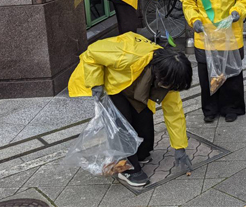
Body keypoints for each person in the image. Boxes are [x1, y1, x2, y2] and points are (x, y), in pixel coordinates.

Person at [68, 32, 193, 187]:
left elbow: (174, 114)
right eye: (171, 87)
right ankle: (128, 168)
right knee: (122, 125)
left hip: (134, 87)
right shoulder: (127, 55)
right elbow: (92, 52)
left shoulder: (168, 77)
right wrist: (96, 84)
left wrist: (180, 148)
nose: (171, 90)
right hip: (112, 86)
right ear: (160, 75)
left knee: (144, 120)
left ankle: (140, 154)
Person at [181, 0, 246, 123]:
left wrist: (238, 11)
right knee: (207, 75)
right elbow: (188, 3)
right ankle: (210, 109)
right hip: (205, 35)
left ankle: (231, 107)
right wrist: (194, 20)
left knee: (232, 73)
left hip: (230, 35)